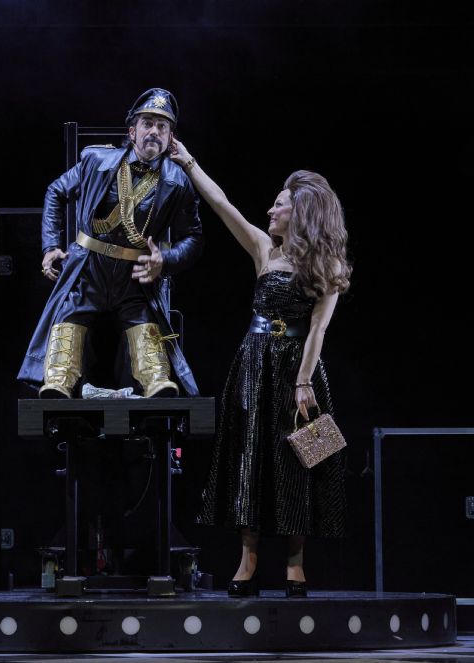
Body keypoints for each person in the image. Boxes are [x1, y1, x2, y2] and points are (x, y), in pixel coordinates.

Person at [169, 138, 351, 597]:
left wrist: (303, 381)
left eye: (280, 204)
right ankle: (247, 562)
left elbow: (318, 328)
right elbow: (221, 204)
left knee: (298, 462)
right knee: (249, 459)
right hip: (253, 365)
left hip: (298, 370)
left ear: (301, 213)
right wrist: (188, 161)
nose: (271, 210)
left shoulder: (326, 264)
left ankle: (295, 564)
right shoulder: (264, 250)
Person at [17, 89, 203, 398]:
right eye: (147, 123)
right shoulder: (96, 160)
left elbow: (193, 238)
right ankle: (59, 381)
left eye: (162, 126)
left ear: (171, 137)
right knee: (70, 315)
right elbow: (56, 191)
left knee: (144, 323)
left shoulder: (178, 181)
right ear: (132, 131)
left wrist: (164, 262)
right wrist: (50, 247)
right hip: (89, 267)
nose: (154, 131)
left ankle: (155, 381)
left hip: (135, 275)